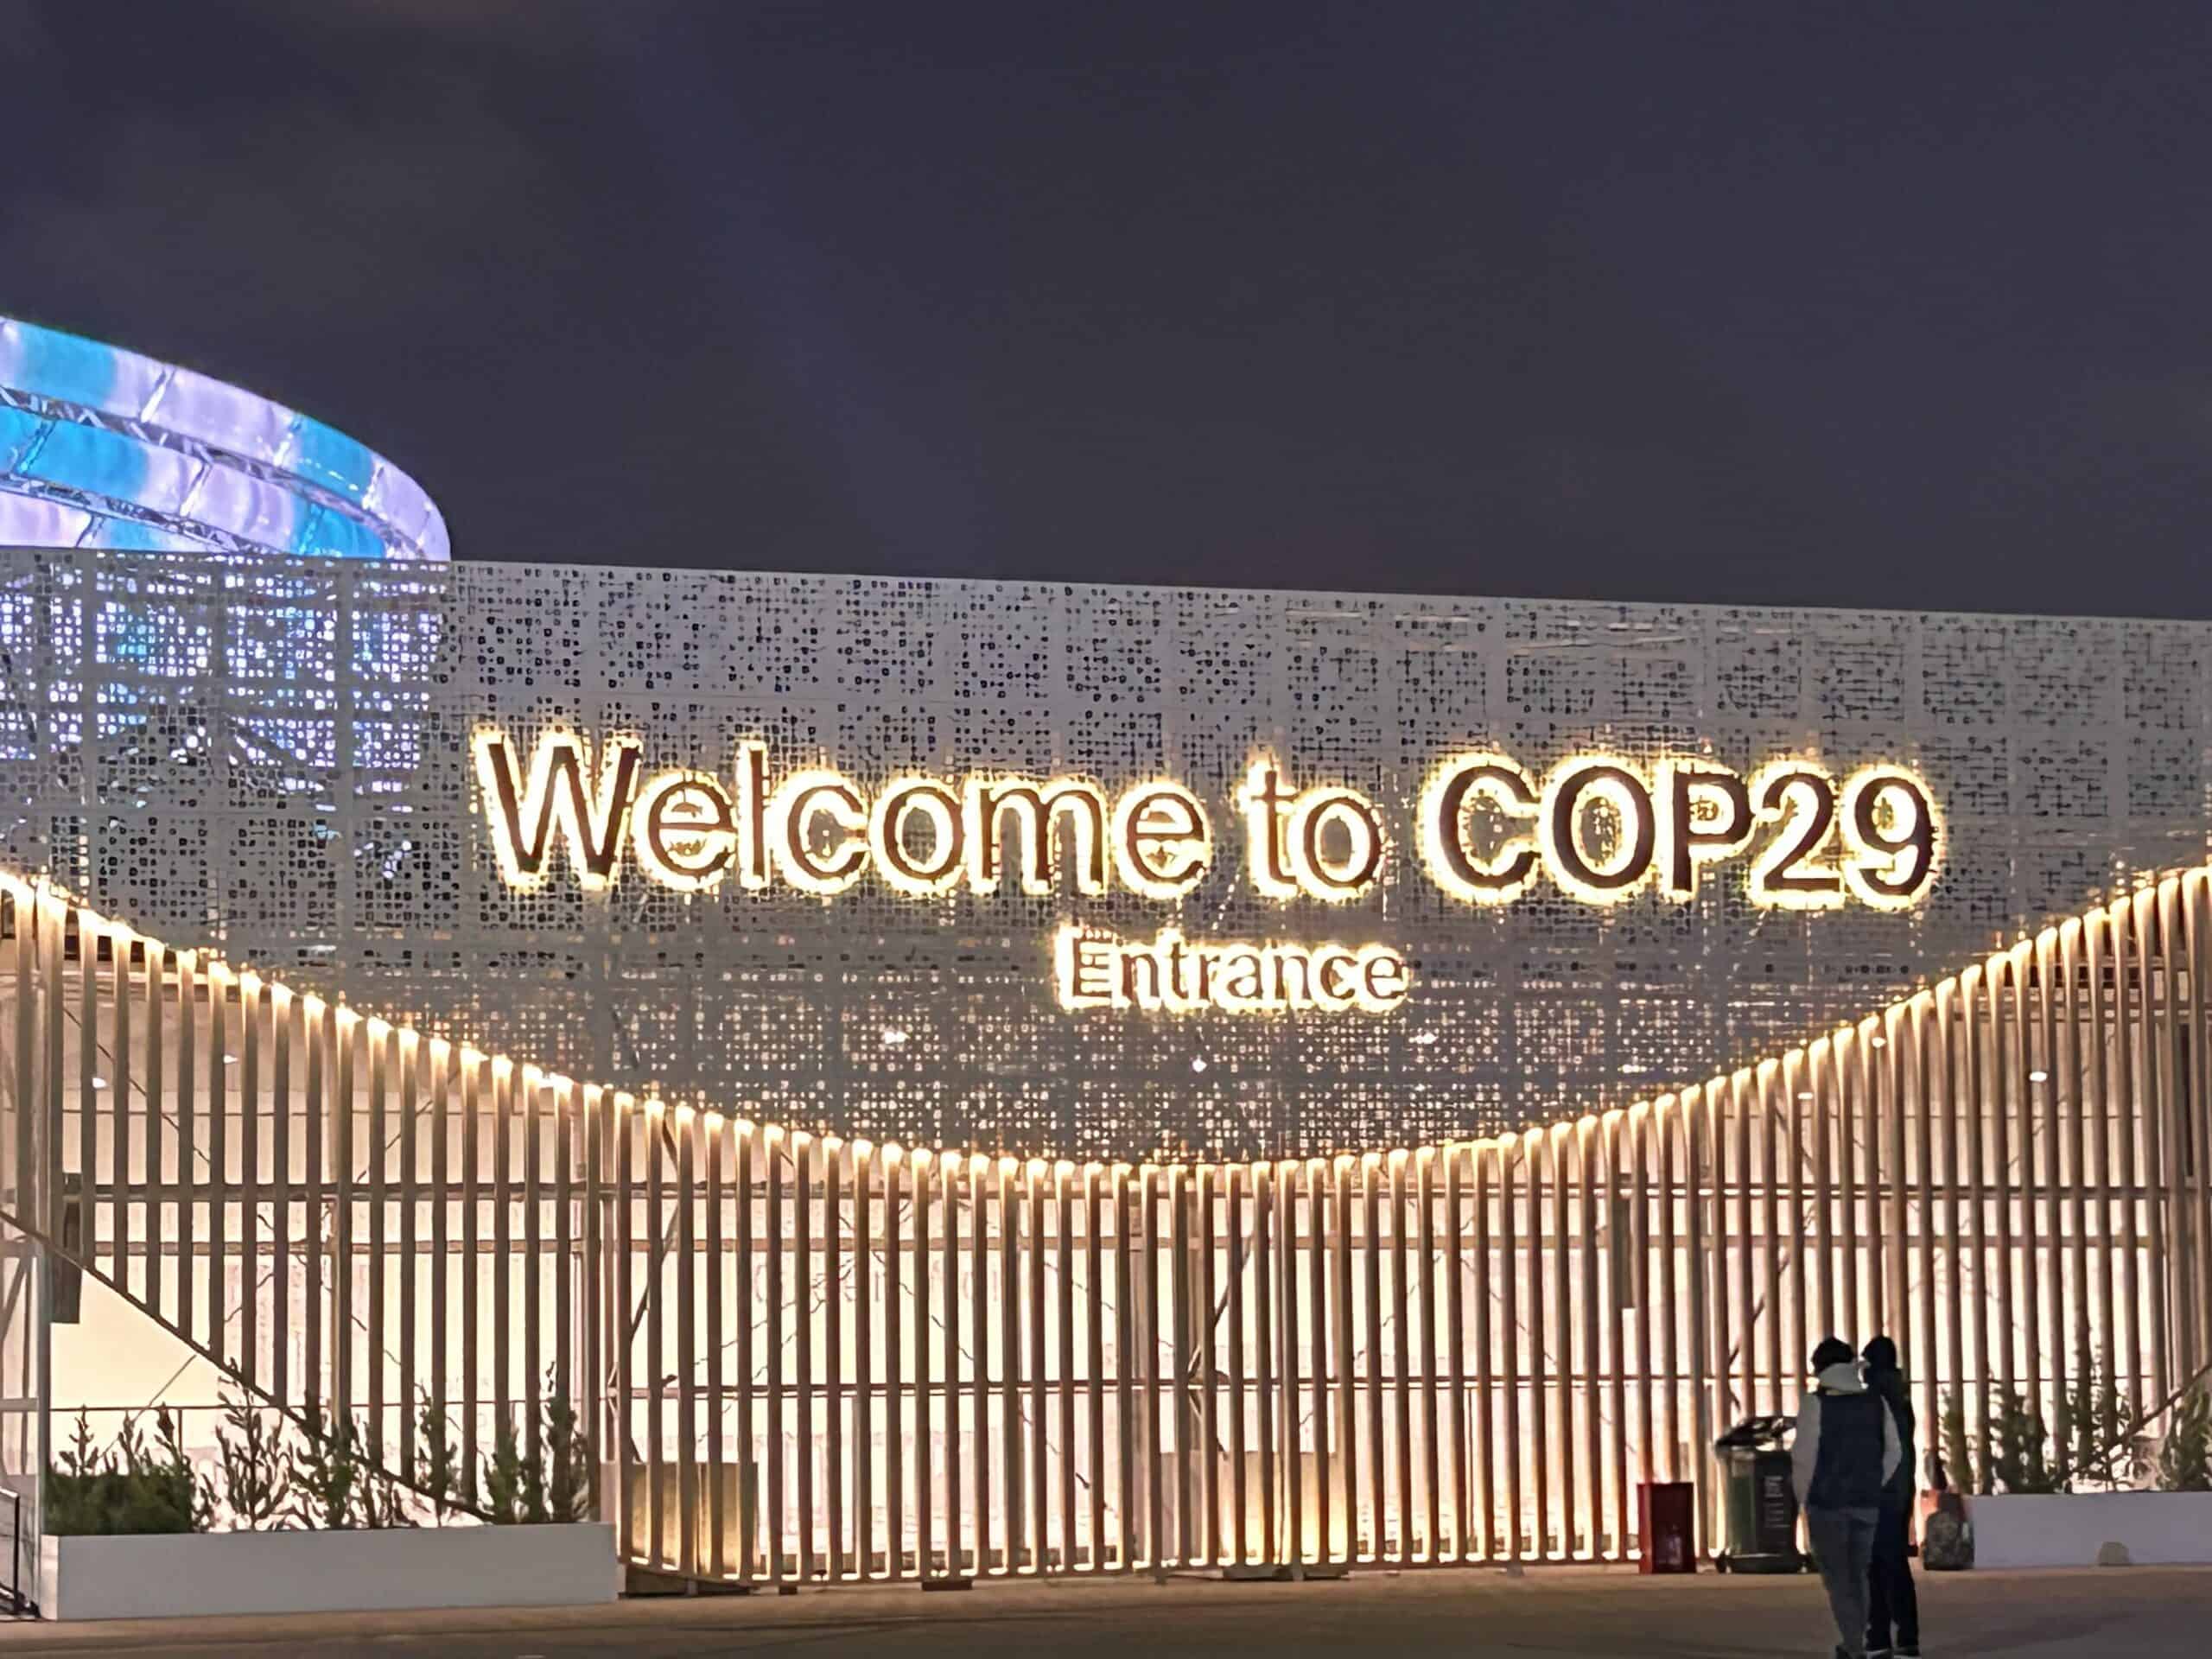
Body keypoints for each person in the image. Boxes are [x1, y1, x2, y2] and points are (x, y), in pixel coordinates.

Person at [1792, 1337, 1901, 1659]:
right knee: (1859, 1574)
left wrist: (1802, 1499)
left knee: (1838, 1578)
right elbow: (1894, 1451)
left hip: (1826, 1505)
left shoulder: (1815, 1404)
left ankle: (1853, 1646)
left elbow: (1804, 1458)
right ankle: (1857, 1641)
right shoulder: (1875, 1403)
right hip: (1866, 1502)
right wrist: (1872, 1481)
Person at [1861, 1336, 1921, 1658]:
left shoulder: (1874, 1399)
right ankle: (1907, 1637)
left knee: (1875, 1568)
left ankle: (1879, 1637)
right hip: (1899, 1493)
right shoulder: (1901, 1399)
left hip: (1878, 1495)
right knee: (1895, 1564)